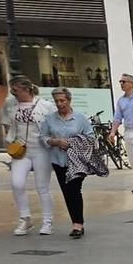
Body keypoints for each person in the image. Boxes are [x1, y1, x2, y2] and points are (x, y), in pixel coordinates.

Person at [0, 75, 53, 237]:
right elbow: (5, 122)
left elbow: (53, 125)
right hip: (21, 149)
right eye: (12, 90)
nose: (13, 93)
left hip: (41, 149)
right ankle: (25, 218)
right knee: (17, 183)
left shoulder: (45, 105)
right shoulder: (10, 103)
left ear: (26, 89)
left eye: (16, 90)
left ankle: (47, 221)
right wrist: (10, 139)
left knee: (42, 187)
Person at [39, 86, 94, 239]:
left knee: (74, 190)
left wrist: (74, 143)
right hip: (58, 161)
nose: (59, 103)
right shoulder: (50, 119)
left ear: (69, 100)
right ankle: (76, 221)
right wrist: (54, 141)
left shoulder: (80, 118)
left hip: (77, 161)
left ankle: (78, 224)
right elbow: (42, 137)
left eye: (62, 100)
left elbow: (91, 137)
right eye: (57, 101)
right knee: (67, 192)